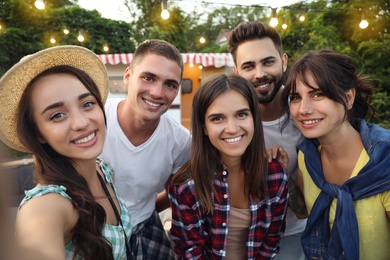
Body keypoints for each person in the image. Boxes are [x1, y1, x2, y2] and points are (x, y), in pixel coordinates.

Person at [0, 45, 132, 260]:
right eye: (57, 115)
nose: (81, 123)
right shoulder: (46, 206)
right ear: (38, 133)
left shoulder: (104, 171)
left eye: (87, 103)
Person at [281, 49, 390, 259]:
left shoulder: (383, 163)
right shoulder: (308, 156)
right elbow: (304, 212)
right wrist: (283, 171)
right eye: (296, 97)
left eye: (318, 94)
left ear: (348, 98)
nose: (303, 109)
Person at [168, 73, 289, 259]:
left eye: (241, 114)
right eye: (217, 118)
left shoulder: (275, 176)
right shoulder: (186, 186)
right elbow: (191, 254)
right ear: (204, 127)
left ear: (254, 119)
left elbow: (271, 243)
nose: (232, 128)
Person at [100, 39, 191, 259]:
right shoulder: (95, 122)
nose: (157, 92)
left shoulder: (180, 141)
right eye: (148, 78)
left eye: (170, 84)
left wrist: (144, 211)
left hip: (146, 227)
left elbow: (175, 191)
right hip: (90, 232)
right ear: (128, 76)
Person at [227, 21, 307, 259]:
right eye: (249, 66)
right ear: (236, 72)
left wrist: (281, 175)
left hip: (292, 237)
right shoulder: (228, 121)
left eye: (268, 62)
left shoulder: (305, 116)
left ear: (283, 61)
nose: (260, 74)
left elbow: (304, 210)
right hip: (237, 237)